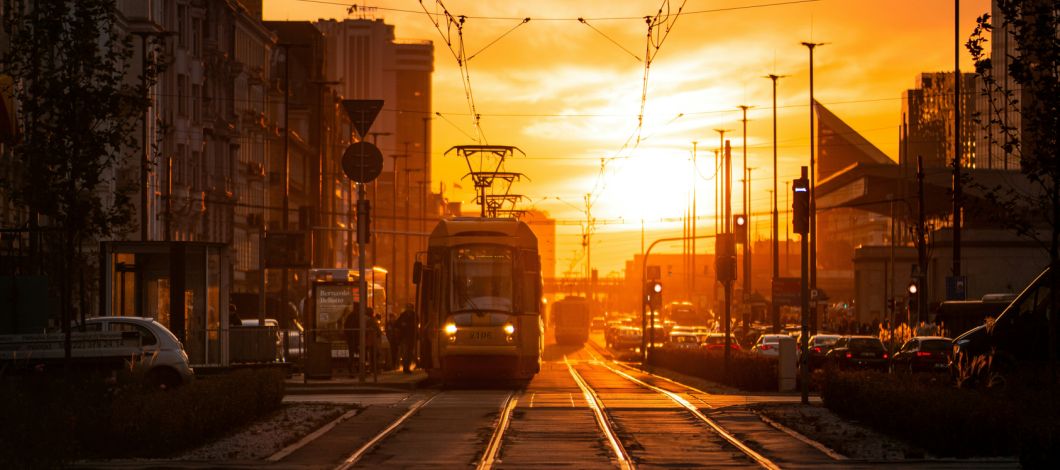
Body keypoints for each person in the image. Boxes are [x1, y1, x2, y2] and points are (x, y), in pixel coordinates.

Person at [343, 304, 379, 376]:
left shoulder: (350, 316)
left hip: (352, 338)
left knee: (352, 354)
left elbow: (346, 327)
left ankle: (353, 370)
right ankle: (359, 370)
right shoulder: (359, 316)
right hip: (357, 338)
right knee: (362, 354)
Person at [394, 303, 417, 373]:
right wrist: (402, 325)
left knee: (409, 352)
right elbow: (397, 324)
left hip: (411, 336)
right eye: (408, 308)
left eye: (410, 308)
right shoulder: (403, 315)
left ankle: (407, 367)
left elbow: (416, 324)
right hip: (404, 337)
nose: (409, 309)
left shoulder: (414, 315)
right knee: (406, 352)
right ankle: (405, 367)